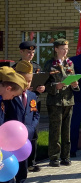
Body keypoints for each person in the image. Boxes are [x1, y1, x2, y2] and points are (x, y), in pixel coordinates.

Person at [43, 39, 79, 167]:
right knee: (55, 131)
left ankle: (66, 156)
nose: (66, 51)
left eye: (67, 49)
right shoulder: (49, 64)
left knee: (66, 130)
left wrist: (75, 84)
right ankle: (54, 158)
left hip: (68, 100)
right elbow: (43, 84)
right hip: (55, 101)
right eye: (63, 48)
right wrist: (55, 86)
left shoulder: (70, 63)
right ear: (56, 49)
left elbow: (73, 79)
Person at [5, 61, 40, 183]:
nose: (27, 84)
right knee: (8, 168)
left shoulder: (32, 95)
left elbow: (35, 114)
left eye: (30, 81)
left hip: (25, 141)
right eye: (25, 80)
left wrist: (30, 129)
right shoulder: (9, 95)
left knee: (22, 169)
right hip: (9, 140)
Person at [13, 40, 45, 172]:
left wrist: (42, 88)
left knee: (33, 133)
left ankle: (31, 161)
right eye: (28, 52)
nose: (31, 55)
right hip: (19, 104)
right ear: (21, 52)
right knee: (19, 134)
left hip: (33, 102)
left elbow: (44, 82)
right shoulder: (15, 68)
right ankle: (18, 161)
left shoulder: (37, 67)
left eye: (32, 52)